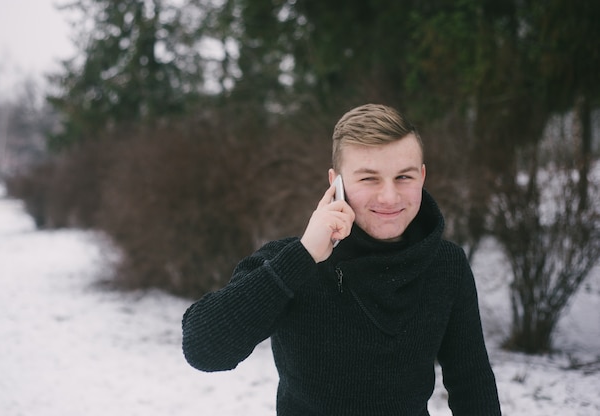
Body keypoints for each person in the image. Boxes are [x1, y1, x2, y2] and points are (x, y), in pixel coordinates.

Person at [182, 104, 502, 415]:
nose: (389, 197)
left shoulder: (445, 264)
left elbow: (471, 386)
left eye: (403, 177)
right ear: (336, 182)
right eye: (368, 178)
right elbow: (204, 350)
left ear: (422, 176)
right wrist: (304, 256)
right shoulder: (292, 262)